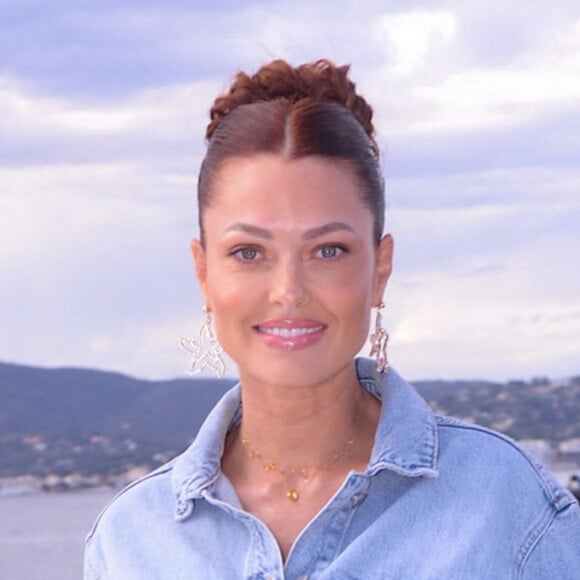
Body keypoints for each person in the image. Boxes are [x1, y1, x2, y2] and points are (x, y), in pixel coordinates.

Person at [84, 59, 580, 579]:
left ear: (379, 268)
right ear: (204, 273)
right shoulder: (130, 540)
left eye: (328, 250)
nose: (288, 292)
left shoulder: (505, 504)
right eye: (249, 252)